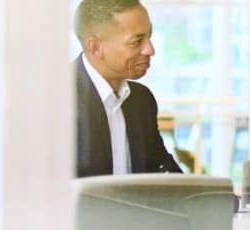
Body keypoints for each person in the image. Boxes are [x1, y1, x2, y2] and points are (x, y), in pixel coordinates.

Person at [73, 0, 182, 177]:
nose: (150, 49)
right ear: (95, 47)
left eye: (149, 37)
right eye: (136, 42)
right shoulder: (56, 99)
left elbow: (162, 169)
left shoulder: (142, 100)